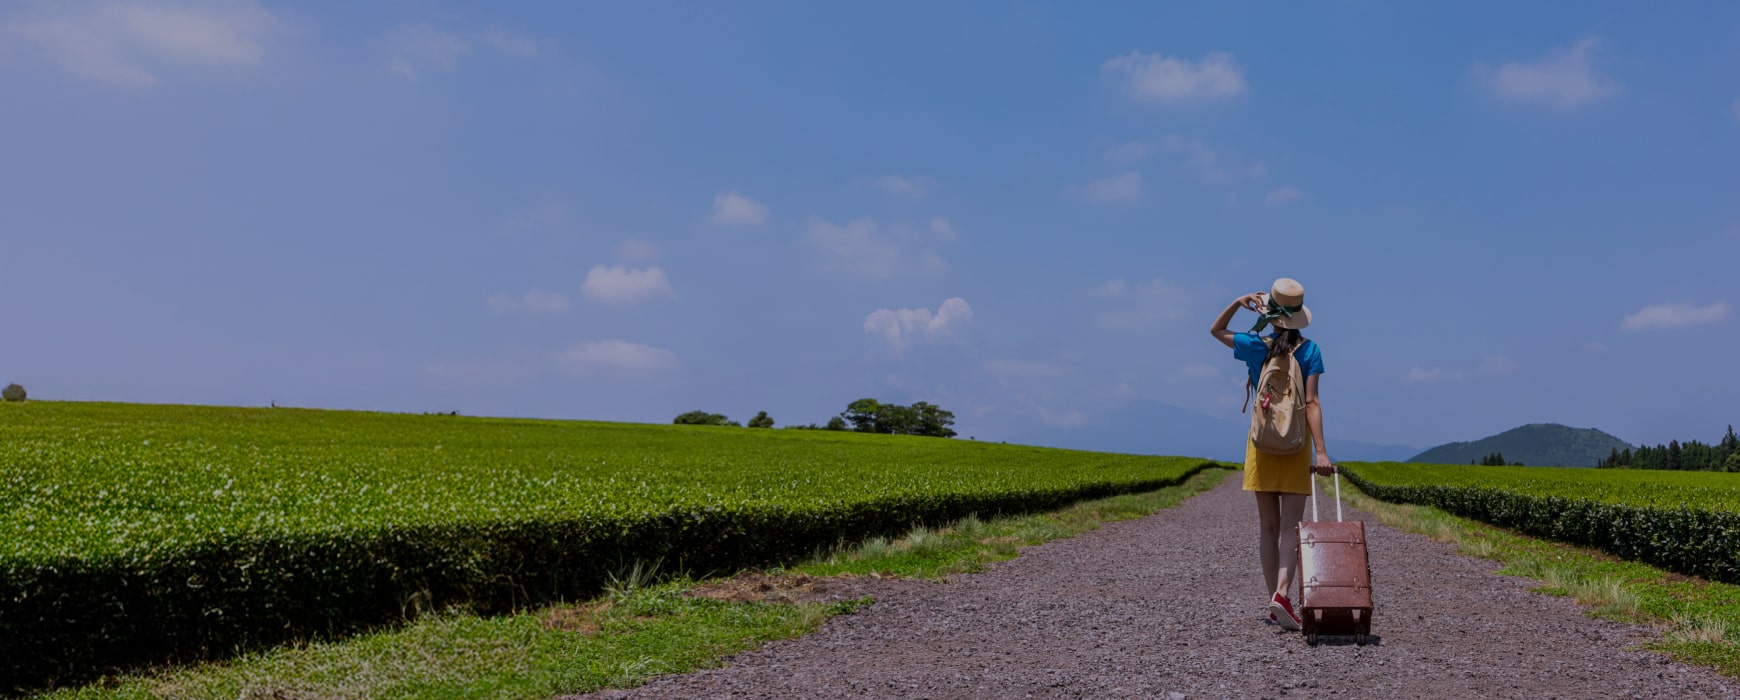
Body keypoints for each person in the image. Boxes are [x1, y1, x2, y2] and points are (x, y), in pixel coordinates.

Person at [1209, 277, 1334, 632]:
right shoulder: (1311, 351)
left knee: (1268, 526)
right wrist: (1321, 452)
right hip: (1295, 446)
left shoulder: (1254, 345)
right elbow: (1311, 403)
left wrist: (1237, 300)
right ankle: (1282, 594)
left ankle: (1275, 601)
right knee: (1290, 529)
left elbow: (1216, 330)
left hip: (1261, 444)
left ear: (1270, 312)